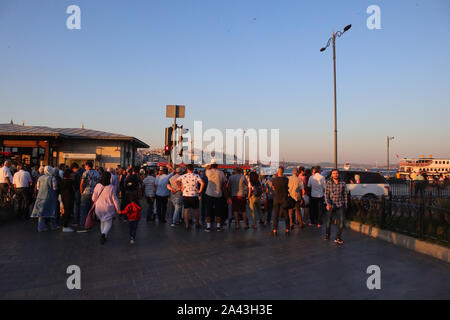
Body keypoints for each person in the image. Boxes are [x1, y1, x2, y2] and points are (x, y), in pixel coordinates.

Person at [92, 171, 121, 244]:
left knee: (102, 221)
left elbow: (93, 198)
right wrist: (118, 209)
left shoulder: (98, 185)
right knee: (108, 223)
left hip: (98, 208)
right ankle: (104, 234)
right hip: (108, 208)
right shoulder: (111, 187)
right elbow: (115, 200)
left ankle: (104, 236)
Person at [176, 164, 205, 229]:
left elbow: (176, 181)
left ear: (187, 169)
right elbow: (202, 183)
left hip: (186, 195)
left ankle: (187, 225)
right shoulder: (196, 176)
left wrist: (180, 187)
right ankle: (197, 223)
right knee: (196, 210)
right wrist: (200, 191)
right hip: (194, 195)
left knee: (186, 210)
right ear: (193, 169)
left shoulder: (183, 176)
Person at [324, 169, 349, 245]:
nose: (335, 174)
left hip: (340, 204)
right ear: (332, 175)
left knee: (341, 222)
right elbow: (326, 195)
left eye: (336, 173)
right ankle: (327, 234)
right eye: (334, 173)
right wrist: (328, 204)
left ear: (338, 174)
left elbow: (345, 194)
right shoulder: (328, 183)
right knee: (329, 221)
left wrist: (345, 204)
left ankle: (338, 237)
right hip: (331, 204)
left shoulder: (342, 183)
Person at [31, 166, 59, 232]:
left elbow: (38, 188)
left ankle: (40, 227)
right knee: (51, 211)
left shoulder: (40, 178)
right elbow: (55, 188)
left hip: (40, 196)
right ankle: (53, 226)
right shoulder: (52, 178)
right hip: (50, 197)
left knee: (41, 213)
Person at [204, 162, 226, 232]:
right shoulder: (221, 173)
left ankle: (208, 227)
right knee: (218, 210)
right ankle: (218, 226)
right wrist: (226, 194)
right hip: (218, 194)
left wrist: (208, 166)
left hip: (209, 193)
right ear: (217, 166)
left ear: (211, 166)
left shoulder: (208, 172)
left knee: (208, 210)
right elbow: (223, 184)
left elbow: (206, 168)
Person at [271, 166, 290, 236]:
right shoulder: (286, 179)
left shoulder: (274, 180)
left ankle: (275, 230)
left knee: (275, 215)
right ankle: (287, 229)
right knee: (286, 214)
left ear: (277, 171)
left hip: (276, 198)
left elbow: (273, 188)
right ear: (283, 172)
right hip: (284, 198)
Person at [70, 163, 82, 228]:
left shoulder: (75, 174)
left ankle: (76, 220)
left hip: (76, 191)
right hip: (80, 191)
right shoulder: (82, 172)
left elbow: (74, 183)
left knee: (76, 205)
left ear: (74, 168)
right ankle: (80, 219)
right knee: (79, 205)